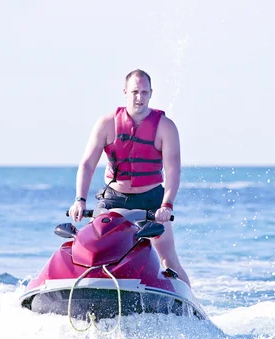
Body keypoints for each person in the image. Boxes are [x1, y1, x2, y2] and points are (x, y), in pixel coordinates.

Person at [68, 69, 190, 286]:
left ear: (151, 93)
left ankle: (195, 312)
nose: (139, 97)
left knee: (168, 259)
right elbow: (87, 165)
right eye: (135, 92)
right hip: (113, 199)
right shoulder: (107, 124)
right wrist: (80, 200)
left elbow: (173, 172)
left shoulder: (166, 127)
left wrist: (167, 206)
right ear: (125, 92)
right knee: (97, 252)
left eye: (144, 92)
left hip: (152, 201)